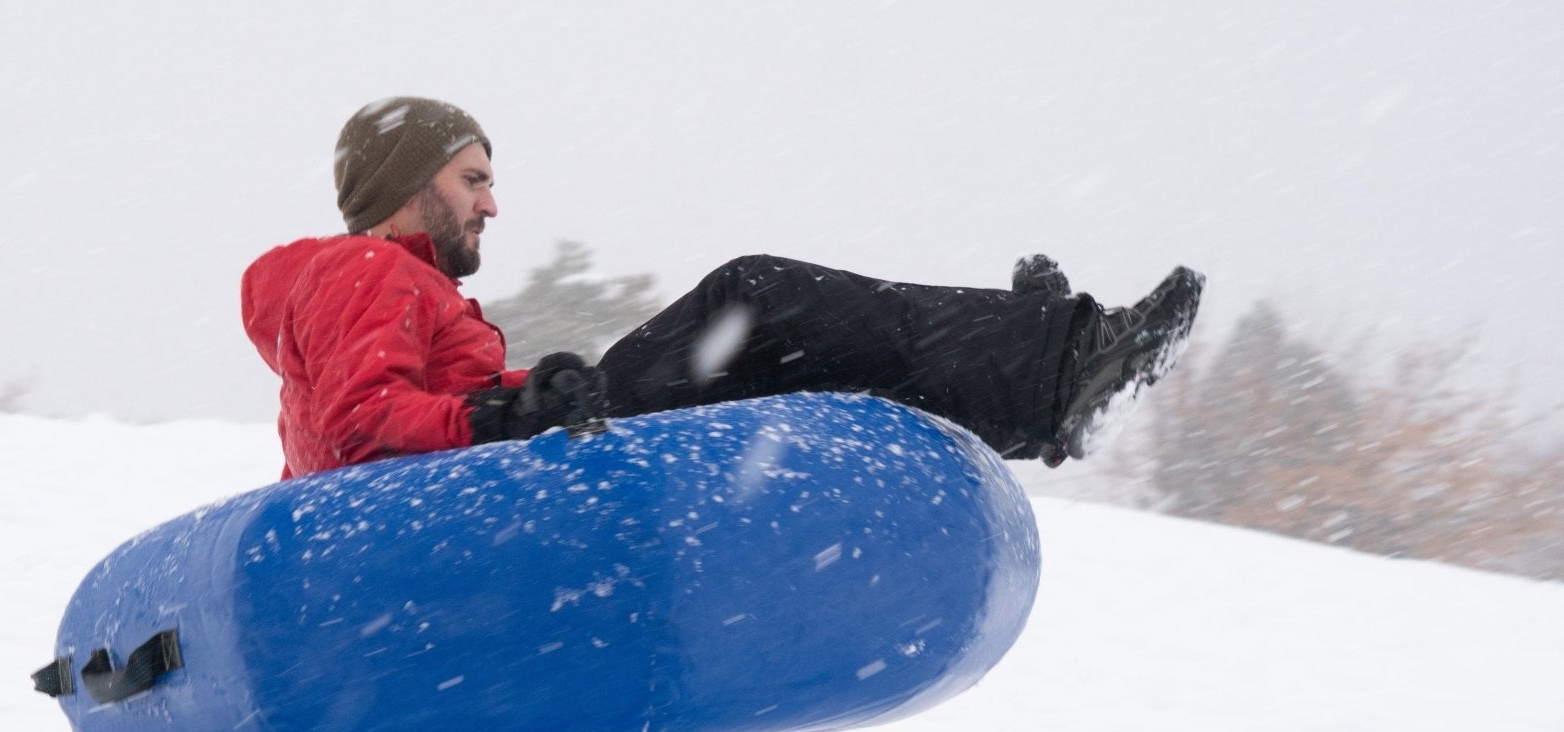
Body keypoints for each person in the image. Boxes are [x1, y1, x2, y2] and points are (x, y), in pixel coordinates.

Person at [242, 96, 1203, 481]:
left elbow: (405, 409)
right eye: (472, 180)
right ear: (408, 188)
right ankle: (1049, 363)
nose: (494, 204)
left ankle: (1029, 360)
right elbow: (361, 423)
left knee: (786, 346)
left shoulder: (392, 290)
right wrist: (510, 412)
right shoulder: (361, 267)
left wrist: (524, 390)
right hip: (509, 481)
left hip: (508, 474)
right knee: (754, 300)